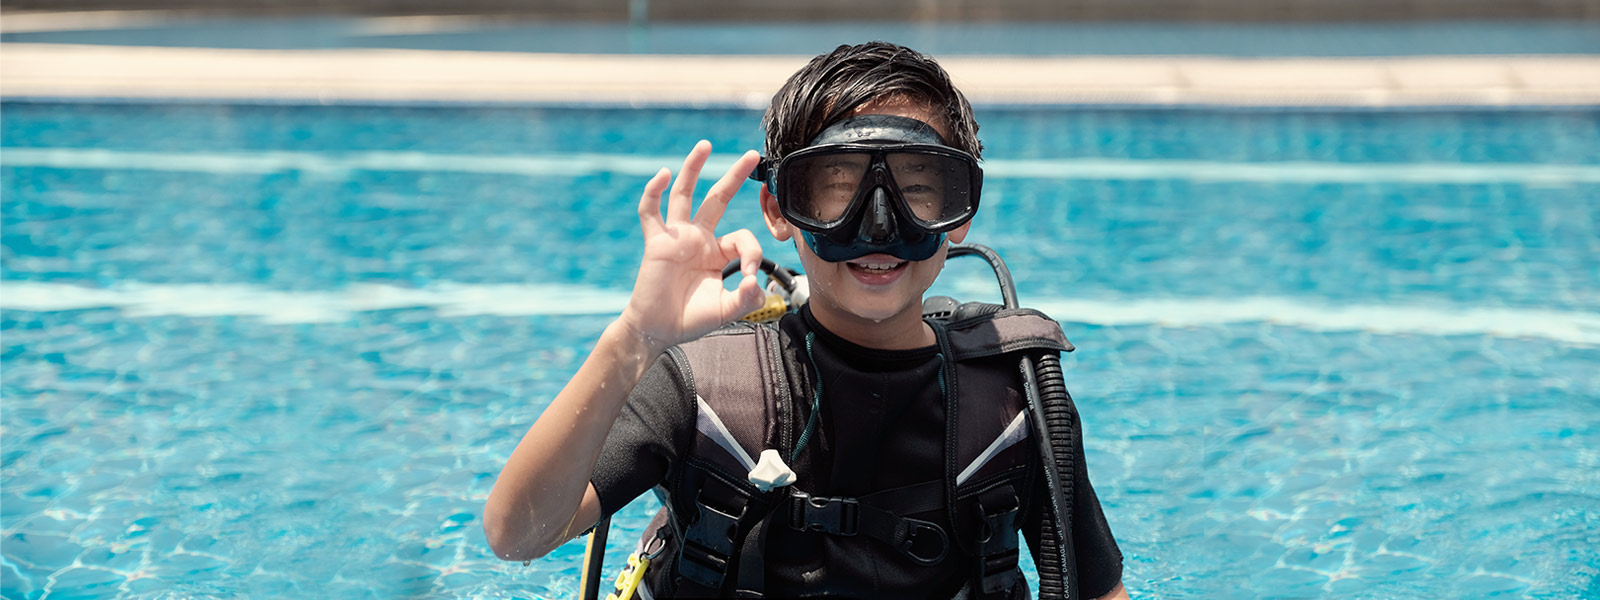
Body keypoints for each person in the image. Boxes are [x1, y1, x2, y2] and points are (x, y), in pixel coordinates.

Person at [484, 41, 1128, 600]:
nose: (879, 228)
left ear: (960, 212)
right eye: (838, 187)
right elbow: (517, 536)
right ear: (780, 209)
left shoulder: (1018, 402)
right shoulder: (704, 391)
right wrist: (634, 340)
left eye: (918, 188)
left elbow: (1099, 591)